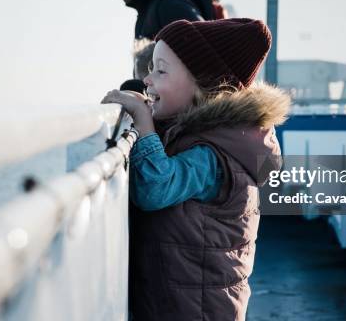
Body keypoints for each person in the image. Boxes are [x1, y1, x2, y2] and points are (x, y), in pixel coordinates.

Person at [101, 18, 291, 320]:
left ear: (204, 86)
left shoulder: (213, 155)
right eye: (150, 69)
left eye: (160, 70)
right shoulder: (198, 135)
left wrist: (144, 124)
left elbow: (155, 188)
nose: (148, 80)